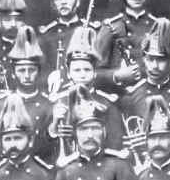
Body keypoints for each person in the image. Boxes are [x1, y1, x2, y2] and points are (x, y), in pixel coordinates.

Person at [0, 25, 56, 165]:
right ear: (13, 72)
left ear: (39, 71)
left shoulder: (48, 107)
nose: (27, 75)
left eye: (31, 70)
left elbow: (50, 149)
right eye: (21, 70)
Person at [118, 18, 170, 162]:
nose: (154, 66)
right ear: (143, 58)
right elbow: (125, 142)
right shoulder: (131, 97)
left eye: (161, 60)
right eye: (150, 59)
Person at [96, 0, 166, 95]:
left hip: (152, 96)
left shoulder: (159, 26)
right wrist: (117, 75)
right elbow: (94, 72)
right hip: (119, 98)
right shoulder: (110, 27)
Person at [49, 25, 124, 155]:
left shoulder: (106, 103)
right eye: (77, 70)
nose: (82, 75)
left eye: (87, 70)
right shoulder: (60, 101)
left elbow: (115, 140)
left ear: (94, 73)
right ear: (69, 74)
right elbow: (47, 145)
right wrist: (54, 126)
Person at [39, 0, 100, 74]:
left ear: (77, 0)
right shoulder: (47, 35)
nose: (63, 2)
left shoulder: (92, 30)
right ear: (53, 4)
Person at [0, 0, 28, 89]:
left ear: (24, 21)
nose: (13, 24)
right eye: (7, 19)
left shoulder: (31, 46)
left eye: (18, 20)